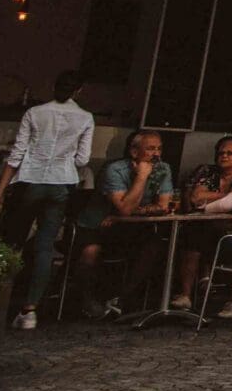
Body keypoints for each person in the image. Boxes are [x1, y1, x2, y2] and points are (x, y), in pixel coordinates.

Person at [0, 70, 95, 331]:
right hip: (61, 183)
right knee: (45, 246)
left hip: (31, 180)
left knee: (13, 242)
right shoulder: (85, 118)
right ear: (78, 91)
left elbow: (17, 154)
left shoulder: (35, 113)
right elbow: (82, 160)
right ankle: (30, 310)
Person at [70, 127, 175, 322]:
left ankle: (120, 298)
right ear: (134, 152)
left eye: (159, 149)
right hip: (96, 226)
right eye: (151, 149)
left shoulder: (163, 169)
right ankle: (85, 299)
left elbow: (163, 205)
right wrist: (142, 176)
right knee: (90, 252)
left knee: (155, 246)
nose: (156, 154)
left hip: (125, 226)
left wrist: (128, 214)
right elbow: (125, 208)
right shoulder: (115, 170)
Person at [173, 136, 232, 316]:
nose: (223, 156)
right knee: (190, 235)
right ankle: (185, 295)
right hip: (209, 226)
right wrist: (228, 194)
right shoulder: (207, 171)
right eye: (221, 153)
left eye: (230, 153)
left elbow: (227, 205)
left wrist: (204, 207)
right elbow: (195, 197)